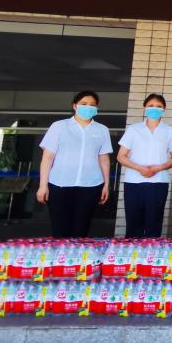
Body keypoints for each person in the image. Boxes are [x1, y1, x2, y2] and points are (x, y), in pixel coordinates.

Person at [36, 90, 113, 238]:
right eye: (84, 104)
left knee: (81, 229)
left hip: (91, 185)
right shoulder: (59, 126)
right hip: (59, 184)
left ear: (97, 108)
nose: (88, 107)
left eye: (92, 105)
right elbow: (48, 157)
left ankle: (78, 253)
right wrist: (43, 185)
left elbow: (104, 159)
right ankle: (61, 253)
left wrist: (106, 185)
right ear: (75, 106)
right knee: (60, 229)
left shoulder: (102, 130)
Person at [116, 93, 172, 238]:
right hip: (133, 182)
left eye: (158, 106)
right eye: (151, 106)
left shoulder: (169, 131)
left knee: (154, 223)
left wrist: (158, 168)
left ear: (164, 109)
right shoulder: (134, 129)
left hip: (158, 182)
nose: (154, 109)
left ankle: (152, 251)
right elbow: (121, 156)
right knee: (133, 223)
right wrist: (139, 168)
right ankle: (133, 251)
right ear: (145, 108)